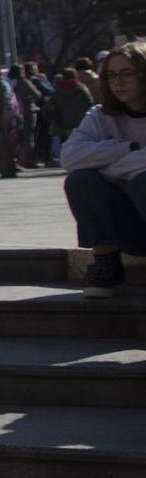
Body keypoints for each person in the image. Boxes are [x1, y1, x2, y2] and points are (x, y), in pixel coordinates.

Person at [60, 41, 146, 299]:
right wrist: (129, 148)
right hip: (129, 224)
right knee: (81, 180)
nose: (118, 82)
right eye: (111, 75)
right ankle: (107, 262)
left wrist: (107, 163)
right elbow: (70, 157)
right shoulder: (100, 116)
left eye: (127, 73)